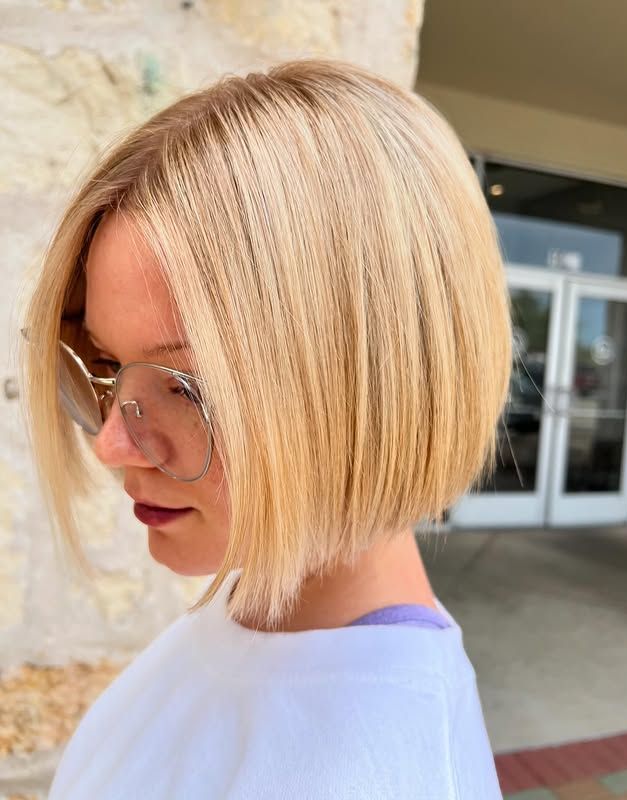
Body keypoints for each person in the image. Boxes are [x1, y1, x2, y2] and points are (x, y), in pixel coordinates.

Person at [19, 58, 512, 799]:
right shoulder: (256, 610)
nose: (111, 443)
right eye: (105, 365)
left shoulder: (377, 771)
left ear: (366, 383)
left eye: (189, 386)